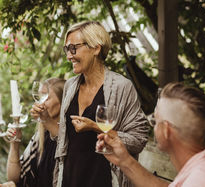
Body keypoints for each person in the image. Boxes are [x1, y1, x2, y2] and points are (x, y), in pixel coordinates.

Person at [55, 21, 149, 187]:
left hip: (104, 179)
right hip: (71, 178)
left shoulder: (121, 87)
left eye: (73, 48)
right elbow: (65, 137)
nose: (69, 56)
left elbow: (138, 139)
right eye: (67, 49)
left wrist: (96, 127)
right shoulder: (70, 86)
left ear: (96, 49)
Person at [97, 82, 205, 187]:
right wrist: (124, 160)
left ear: (166, 130)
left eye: (155, 120)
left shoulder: (201, 180)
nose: (153, 125)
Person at [1, 78, 65, 187]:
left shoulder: (70, 139)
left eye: (47, 97)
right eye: (40, 97)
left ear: (63, 102)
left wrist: (46, 120)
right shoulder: (41, 137)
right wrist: (15, 144)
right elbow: (14, 178)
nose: (40, 103)